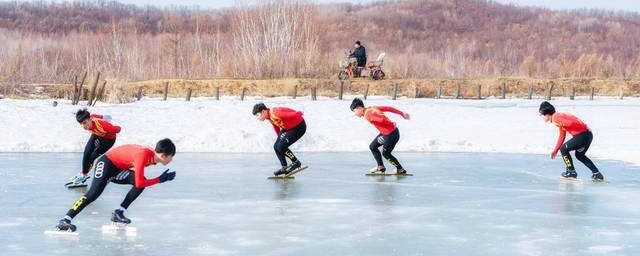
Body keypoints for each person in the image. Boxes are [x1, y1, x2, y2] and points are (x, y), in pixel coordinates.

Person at [55, 139, 177, 232]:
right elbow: (140, 182)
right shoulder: (143, 155)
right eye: (172, 156)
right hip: (106, 163)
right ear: (164, 155)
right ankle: (65, 220)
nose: (171, 160)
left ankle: (118, 213)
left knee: (140, 182)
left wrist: (159, 180)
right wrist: (160, 179)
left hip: (118, 169)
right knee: (92, 195)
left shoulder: (153, 157)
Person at [539, 101, 604, 182]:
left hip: (582, 135)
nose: (541, 117)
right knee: (579, 155)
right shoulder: (558, 117)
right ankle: (597, 174)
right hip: (588, 135)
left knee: (563, 149)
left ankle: (571, 172)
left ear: (547, 113)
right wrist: (555, 150)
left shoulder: (556, 117)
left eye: (541, 114)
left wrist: (567, 124)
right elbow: (562, 136)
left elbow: (571, 123)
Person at [350, 98, 410, 174]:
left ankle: (400, 169)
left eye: (354, 111)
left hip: (391, 135)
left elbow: (381, 119)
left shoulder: (368, 115)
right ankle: (380, 166)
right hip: (386, 133)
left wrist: (390, 123)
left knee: (386, 154)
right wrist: (402, 113)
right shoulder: (372, 108)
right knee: (373, 146)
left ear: (359, 108)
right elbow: (389, 108)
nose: (355, 114)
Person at [66, 109, 121, 188]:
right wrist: (103, 116)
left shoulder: (102, 125)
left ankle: (84, 175)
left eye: (85, 123)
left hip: (108, 140)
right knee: (86, 152)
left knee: (92, 156)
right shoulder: (91, 117)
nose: (84, 126)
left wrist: (112, 126)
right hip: (96, 134)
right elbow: (96, 116)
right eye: (81, 124)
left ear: (90, 120)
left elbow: (118, 129)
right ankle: (83, 174)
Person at [252, 103, 306, 176]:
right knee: (276, 146)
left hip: (298, 126)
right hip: (288, 128)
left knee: (281, 146)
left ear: (263, 111)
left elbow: (288, 115)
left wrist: (298, 113)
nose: (257, 118)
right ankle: (284, 167)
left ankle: (296, 162)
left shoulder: (275, 112)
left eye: (258, 115)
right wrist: (280, 138)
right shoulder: (269, 116)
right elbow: (276, 126)